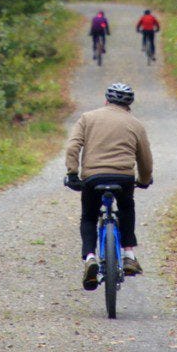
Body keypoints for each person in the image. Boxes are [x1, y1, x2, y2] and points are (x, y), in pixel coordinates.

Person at [65, 82, 153, 290]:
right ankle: (129, 254)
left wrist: (72, 173)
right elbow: (145, 158)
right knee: (126, 208)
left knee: (88, 216)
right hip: (123, 178)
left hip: (92, 177)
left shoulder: (88, 118)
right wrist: (144, 179)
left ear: (106, 100)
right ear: (129, 105)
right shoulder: (136, 124)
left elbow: (72, 147)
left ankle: (89, 258)